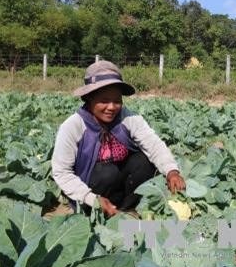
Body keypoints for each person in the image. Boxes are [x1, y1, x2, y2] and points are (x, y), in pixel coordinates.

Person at [51, 60, 185, 217]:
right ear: (88, 98)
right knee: (108, 172)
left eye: (117, 101)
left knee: (142, 161)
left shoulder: (128, 118)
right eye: (104, 100)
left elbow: (153, 145)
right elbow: (61, 172)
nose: (111, 107)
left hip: (120, 188)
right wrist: (91, 199)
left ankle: (126, 210)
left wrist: (171, 171)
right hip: (89, 192)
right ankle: (94, 214)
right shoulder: (73, 126)